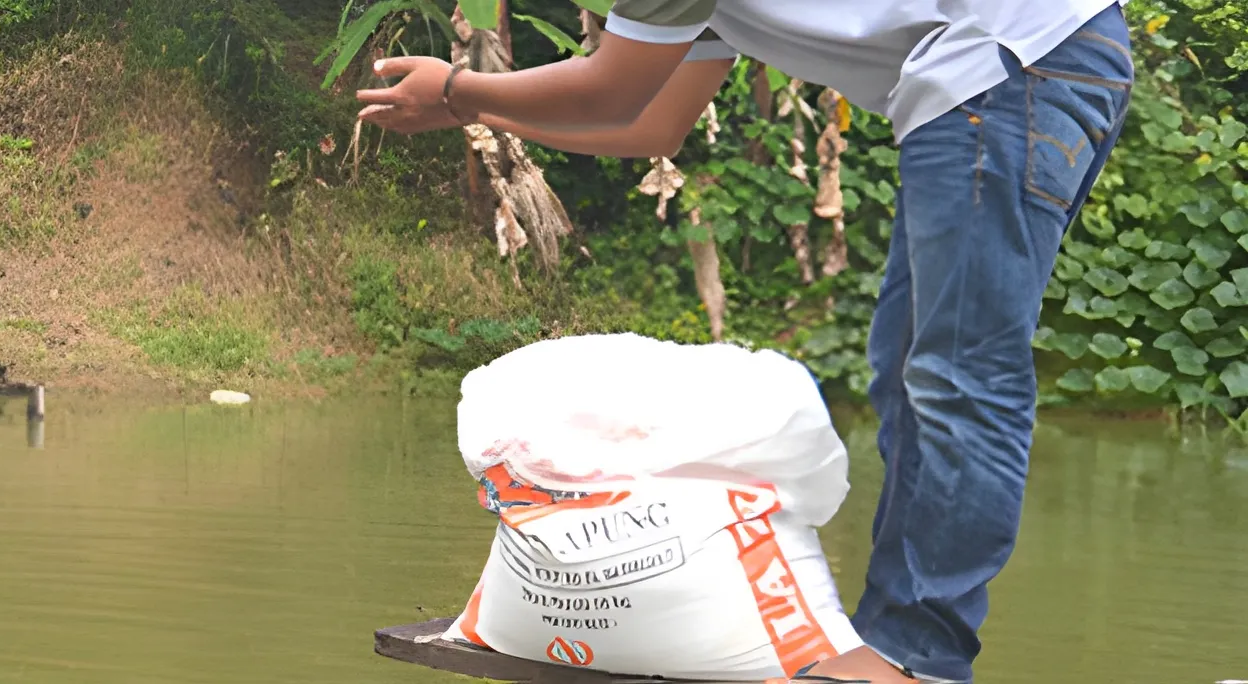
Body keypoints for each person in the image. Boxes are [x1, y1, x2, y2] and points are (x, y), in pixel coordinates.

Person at [354, 1, 1135, 682]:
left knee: (958, 377)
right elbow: (654, 123)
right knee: (908, 374)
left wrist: (457, 93)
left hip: (1010, 70)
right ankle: (898, 646)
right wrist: (480, 112)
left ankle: (916, 655)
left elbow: (613, 88)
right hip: (1023, 69)